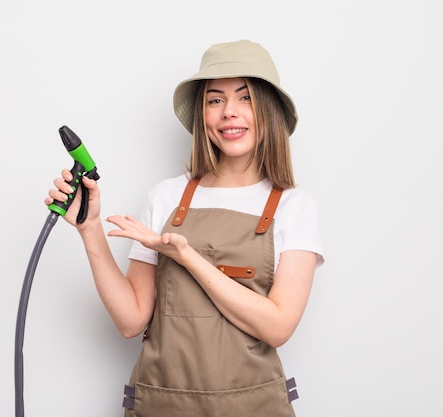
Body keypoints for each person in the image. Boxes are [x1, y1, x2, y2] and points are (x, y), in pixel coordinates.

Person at [46, 39, 324, 417]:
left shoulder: (295, 206)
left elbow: (278, 326)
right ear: (203, 115)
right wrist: (90, 227)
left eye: (245, 98)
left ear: (268, 110)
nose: (229, 112)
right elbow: (131, 321)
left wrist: (187, 257)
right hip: (162, 406)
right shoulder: (167, 197)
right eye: (215, 100)